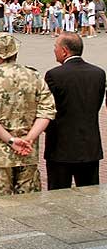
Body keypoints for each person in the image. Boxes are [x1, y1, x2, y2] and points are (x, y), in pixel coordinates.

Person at [0, 33, 56, 198]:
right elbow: (47, 111)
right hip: (28, 152)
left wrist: (11, 140)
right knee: (29, 205)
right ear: (16, 52)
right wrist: (29, 138)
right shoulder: (34, 76)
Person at [44, 32, 107, 190]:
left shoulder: (54, 75)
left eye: (55, 47)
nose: (54, 51)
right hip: (89, 146)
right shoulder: (98, 74)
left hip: (60, 147)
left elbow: (48, 109)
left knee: (58, 197)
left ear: (64, 51)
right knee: (89, 196)